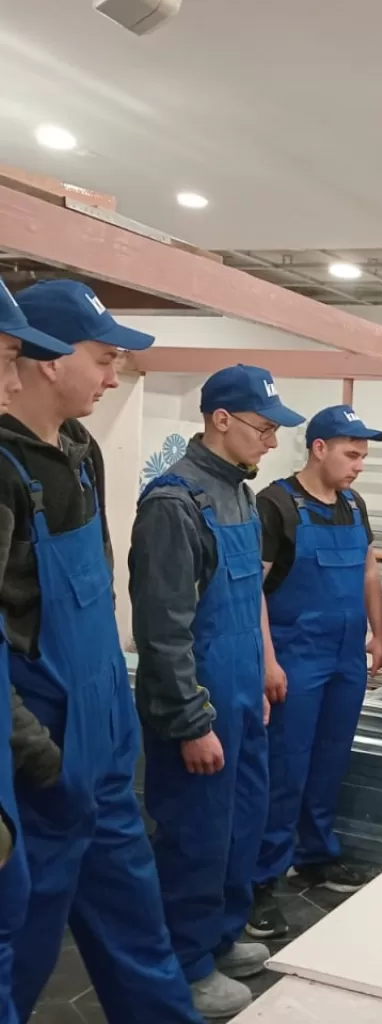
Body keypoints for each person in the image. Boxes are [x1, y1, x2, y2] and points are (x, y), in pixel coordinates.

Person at [1, 279, 201, 1023]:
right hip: (42, 750)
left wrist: (114, 715)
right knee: (23, 941)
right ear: (50, 359)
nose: (114, 378)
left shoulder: (83, 451)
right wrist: (41, 759)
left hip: (105, 731)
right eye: (105, 358)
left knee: (135, 918)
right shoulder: (3, 471)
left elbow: (103, 578)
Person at [130, 365, 304, 1019]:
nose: (271, 442)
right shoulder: (174, 504)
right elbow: (163, 631)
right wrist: (191, 722)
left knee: (240, 824)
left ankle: (219, 935)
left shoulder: (240, 496)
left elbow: (247, 596)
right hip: (199, 703)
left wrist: (262, 670)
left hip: (241, 696)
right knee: (196, 834)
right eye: (264, 428)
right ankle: (184, 965)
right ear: (220, 419)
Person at [247, 404, 382, 941]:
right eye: (352, 455)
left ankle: (315, 855)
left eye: (363, 456)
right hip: (296, 657)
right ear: (319, 448)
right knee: (285, 768)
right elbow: (253, 591)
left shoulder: (354, 504)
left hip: (345, 657)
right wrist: (267, 660)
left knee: (330, 760)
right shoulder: (276, 504)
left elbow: (369, 570)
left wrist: (381, 632)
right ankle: (260, 880)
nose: (359, 466)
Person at [0, 281, 74, 1024]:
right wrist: (36, 747)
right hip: (41, 708)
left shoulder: (79, 453)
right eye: (5, 358)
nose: (12, 381)